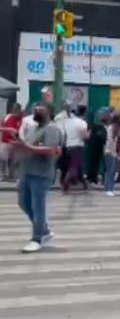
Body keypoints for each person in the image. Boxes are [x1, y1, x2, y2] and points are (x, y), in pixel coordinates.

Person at [12, 102, 62, 253]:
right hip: (27, 171)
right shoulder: (33, 128)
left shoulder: (52, 128)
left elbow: (51, 150)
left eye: (41, 109)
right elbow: (26, 146)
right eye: (35, 109)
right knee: (22, 202)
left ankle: (37, 238)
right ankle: (44, 230)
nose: (36, 110)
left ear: (49, 112)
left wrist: (27, 147)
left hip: (41, 173)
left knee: (37, 206)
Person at [103, 112, 120, 197]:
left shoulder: (118, 128)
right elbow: (110, 142)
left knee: (111, 171)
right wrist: (114, 153)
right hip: (111, 152)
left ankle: (109, 188)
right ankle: (109, 189)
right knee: (111, 171)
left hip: (113, 152)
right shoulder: (112, 128)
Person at [86, 109, 109, 185]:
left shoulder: (93, 127)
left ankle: (91, 177)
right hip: (99, 148)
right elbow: (104, 139)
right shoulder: (103, 129)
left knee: (92, 163)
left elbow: (88, 136)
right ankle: (94, 178)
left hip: (92, 147)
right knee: (96, 164)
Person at [1, 103, 23, 181]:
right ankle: (3, 175)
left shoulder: (20, 118)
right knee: (4, 159)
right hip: (6, 141)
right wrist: (16, 139)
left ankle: (11, 175)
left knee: (13, 160)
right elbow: (8, 130)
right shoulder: (8, 117)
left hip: (15, 142)